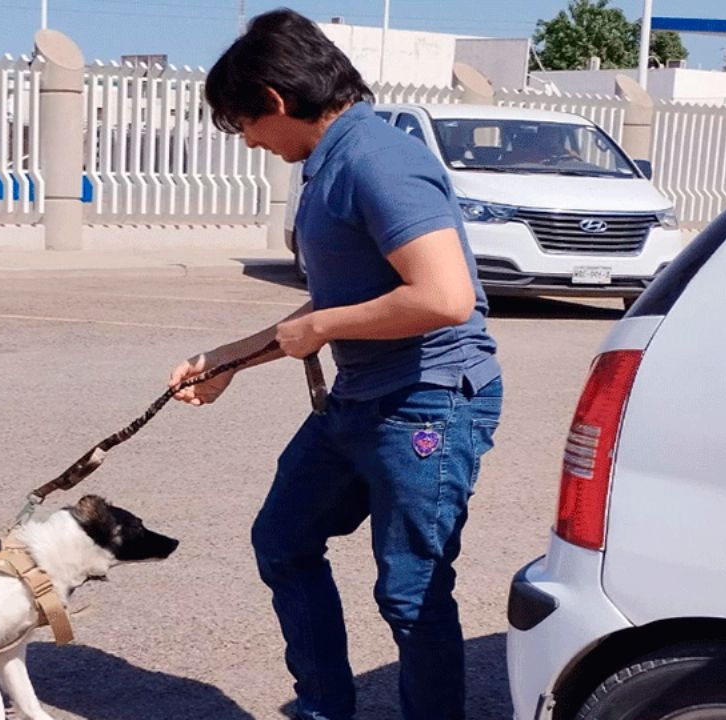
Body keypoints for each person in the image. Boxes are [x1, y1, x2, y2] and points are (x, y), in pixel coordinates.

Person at [167, 9, 503, 720]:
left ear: (276, 100)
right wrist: (229, 359)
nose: (252, 141)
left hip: (428, 401)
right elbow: (350, 299)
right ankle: (325, 709)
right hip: (363, 396)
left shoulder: (377, 158)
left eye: (245, 124)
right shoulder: (333, 161)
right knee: (284, 541)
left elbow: (444, 298)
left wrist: (321, 325)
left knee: (411, 592)